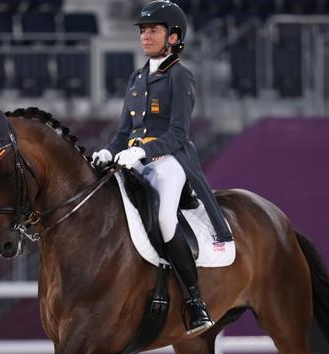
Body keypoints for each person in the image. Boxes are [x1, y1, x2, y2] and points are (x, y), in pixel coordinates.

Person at [92, 0, 232, 335]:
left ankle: (195, 301)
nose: (145, 36)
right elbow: (124, 132)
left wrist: (141, 152)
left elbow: (179, 134)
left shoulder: (180, 76)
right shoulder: (137, 77)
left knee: (165, 218)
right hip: (136, 161)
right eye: (143, 30)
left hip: (170, 162)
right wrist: (108, 152)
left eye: (153, 30)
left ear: (172, 37)